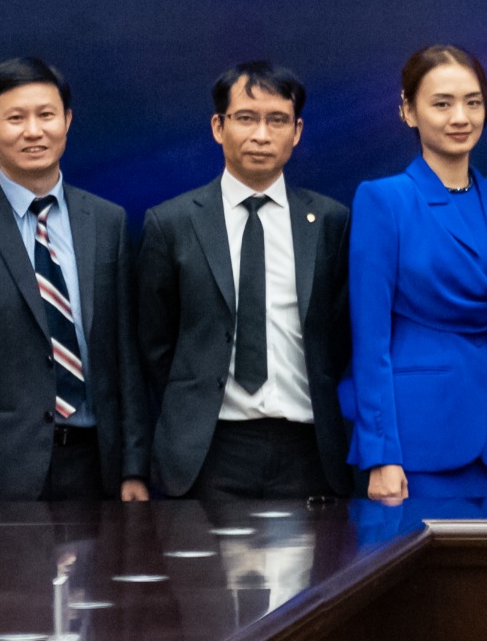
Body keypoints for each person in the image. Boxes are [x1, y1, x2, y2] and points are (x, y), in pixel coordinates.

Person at [0, 58, 149, 502]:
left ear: (66, 120)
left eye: (46, 115)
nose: (33, 131)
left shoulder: (107, 222)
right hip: (2, 472)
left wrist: (134, 468)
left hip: (96, 467)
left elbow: (127, 357)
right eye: (15, 118)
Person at [346, 44, 487, 502]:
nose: (460, 117)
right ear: (408, 111)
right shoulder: (384, 200)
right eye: (441, 104)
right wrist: (380, 453)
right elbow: (369, 340)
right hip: (419, 445)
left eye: (473, 102)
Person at [136, 62, 355, 500]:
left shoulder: (330, 221)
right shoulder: (172, 223)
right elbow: (153, 344)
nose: (261, 134)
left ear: (297, 131)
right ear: (219, 126)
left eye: (277, 120)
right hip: (208, 451)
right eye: (246, 118)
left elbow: (341, 335)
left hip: (308, 450)